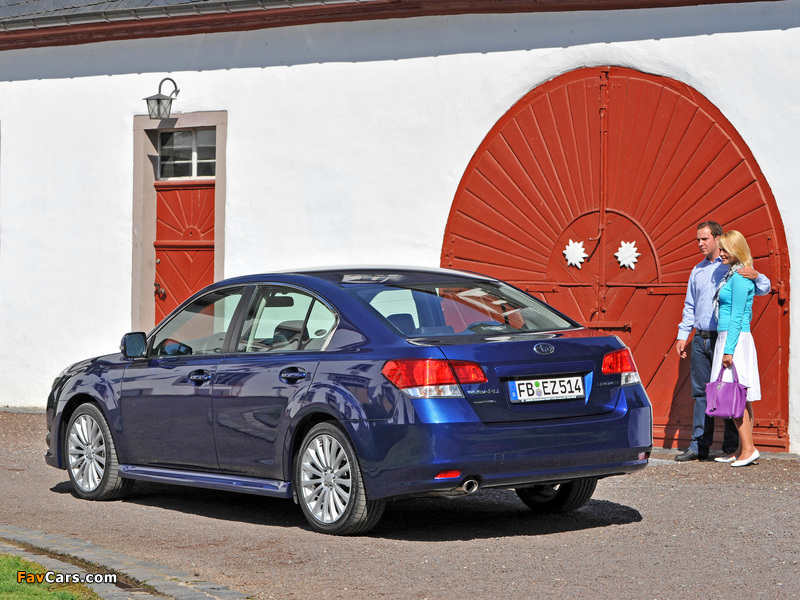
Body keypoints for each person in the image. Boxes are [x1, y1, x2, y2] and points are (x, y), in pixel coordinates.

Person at [674, 221, 770, 462]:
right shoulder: (697, 271)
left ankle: (733, 446)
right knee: (702, 393)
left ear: (718, 239)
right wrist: (683, 335)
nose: (700, 244)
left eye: (704, 239)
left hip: (724, 337)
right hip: (701, 338)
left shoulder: (734, 270)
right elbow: (690, 306)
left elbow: (761, 290)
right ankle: (699, 445)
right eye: (698, 240)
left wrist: (757, 275)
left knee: (731, 391)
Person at [711, 231, 761, 467]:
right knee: (740, 397)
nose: (720, 253)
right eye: (720, 249)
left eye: (724, 249)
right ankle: (743, 449)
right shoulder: (732, 275)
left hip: (735, 339)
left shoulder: (740, 277)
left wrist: (728, 350)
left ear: (736, 249)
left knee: (735, 396)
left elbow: (737, 316)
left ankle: (748, 449)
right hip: (730, 338)